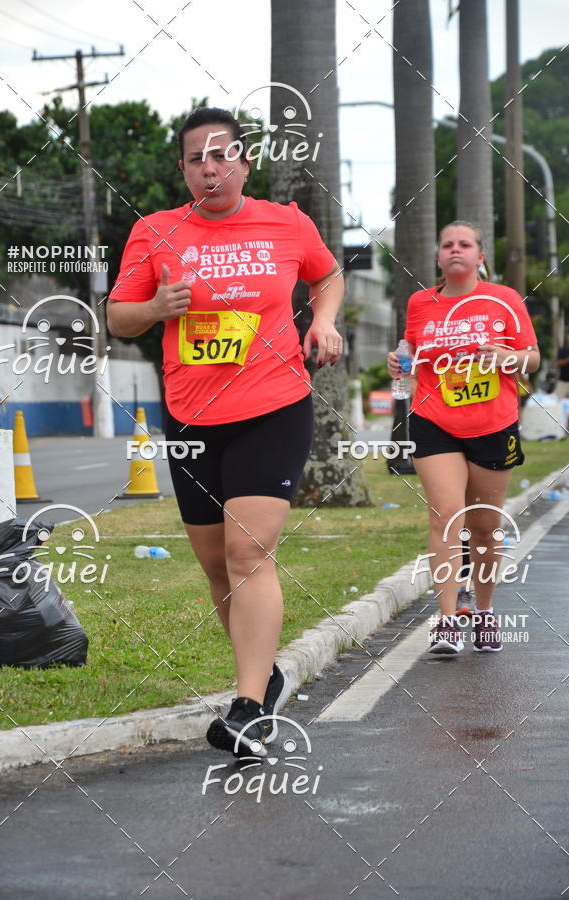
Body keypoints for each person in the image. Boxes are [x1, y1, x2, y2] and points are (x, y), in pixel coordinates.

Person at [107, 107, 344, 754]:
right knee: (217, 568)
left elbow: (326, 273)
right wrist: (156, 308)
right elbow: (117, 318)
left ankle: (247, 709)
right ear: (183, 169)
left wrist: (322, 322)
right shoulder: (155, 230)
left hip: (274, 406)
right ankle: (264, 677)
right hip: (190, 415)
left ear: (244, 161)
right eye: (195, 159)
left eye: (221, 155)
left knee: (247, 554)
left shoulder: (285, 222)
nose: (209, 168)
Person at [387, 220, 540, 654]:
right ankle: (448, 620)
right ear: (438, 256)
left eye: (465, 244)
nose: (456, 250)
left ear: (480, 257)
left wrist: (509, 356)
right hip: (434, 420)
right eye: (448, 245)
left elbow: (532, 357)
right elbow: (411, 355)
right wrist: (399, 365)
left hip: (493, 424)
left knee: (485, 527)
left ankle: (486, 611)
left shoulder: (504, 300)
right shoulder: (420, 303)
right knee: (446, 515)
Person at [555, 332, 569, 400]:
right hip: (562, 382)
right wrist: (567, 360)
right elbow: (558, 364)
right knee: (559, 403)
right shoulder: (562, 351)